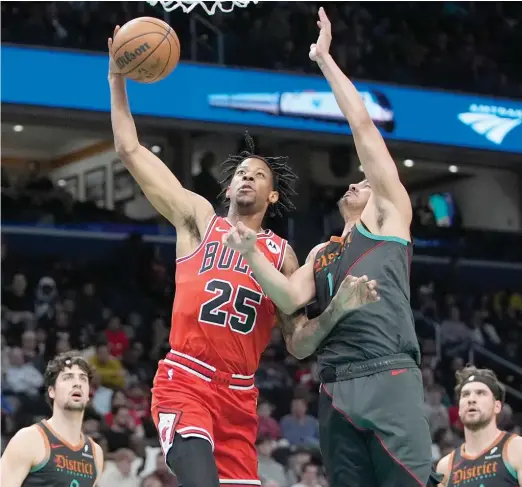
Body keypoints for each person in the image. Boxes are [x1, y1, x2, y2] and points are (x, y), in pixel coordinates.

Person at [107, 24, 380, 487]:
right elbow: (129, 150)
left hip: (239, 394)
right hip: (186, 379)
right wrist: (116, 79)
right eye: (241, 174)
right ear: (228, 187)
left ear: (272, 198)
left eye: (258, 176)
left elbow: (298, 344)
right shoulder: (197, 221)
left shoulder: (283, 255)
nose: (247, 179)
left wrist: (336, 311)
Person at [222, 7, 437, 487]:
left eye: (366, 179)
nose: (361, 181)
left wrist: (324, 60)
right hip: (335, 388)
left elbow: (363, 127)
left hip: (389, 376)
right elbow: (288, 307)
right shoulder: (321, 253)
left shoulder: (387, 217)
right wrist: (252, 252)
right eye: (358, 181)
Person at [0, 352, 104, 487]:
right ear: (52, 391)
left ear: (88, 394)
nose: (77, 383)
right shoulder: (29, 439)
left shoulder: (96, 453)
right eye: (68, 378)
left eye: (83, 379)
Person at [436, 366, 522, 486]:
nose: (471, 399)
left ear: (497, 406)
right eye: (465, 394)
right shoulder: (445, 467)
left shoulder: (516, 448)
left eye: (481, 393)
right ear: (459, 409)